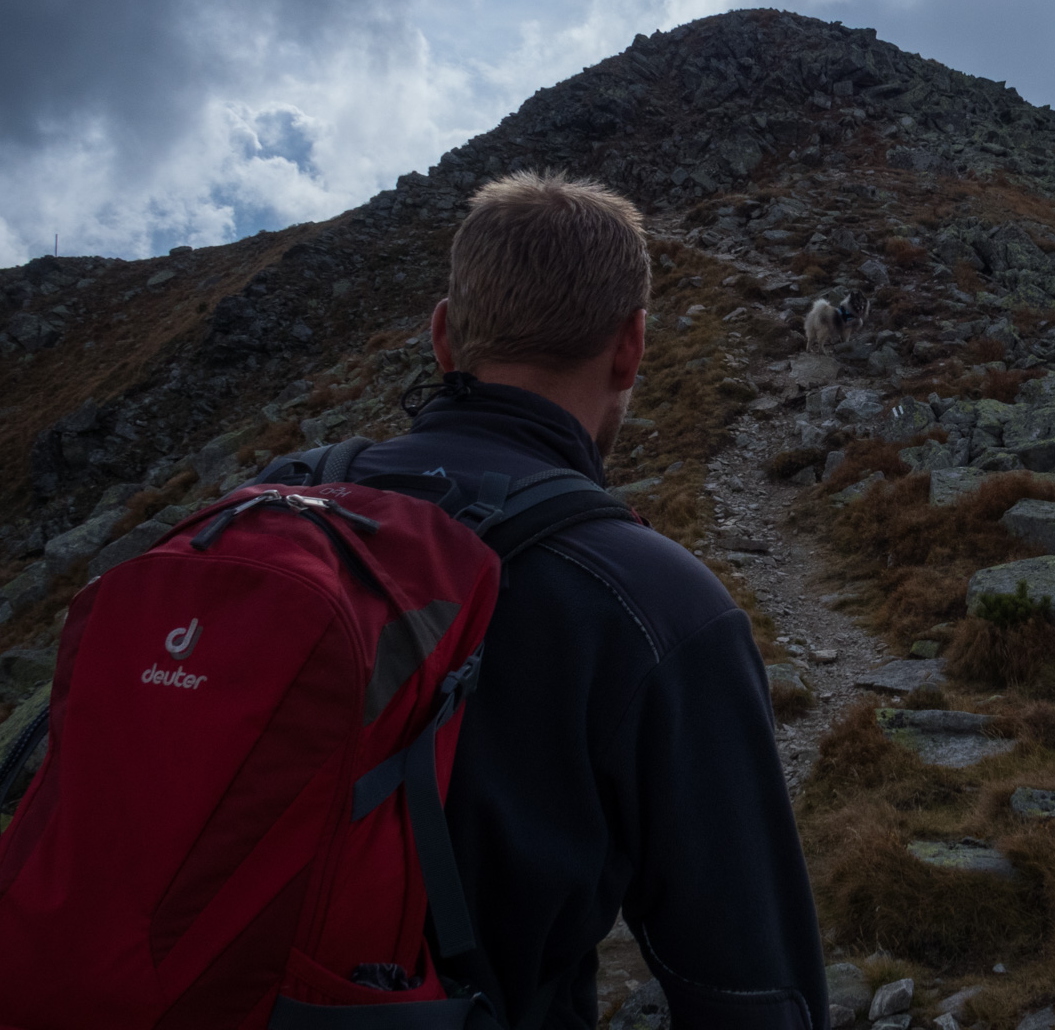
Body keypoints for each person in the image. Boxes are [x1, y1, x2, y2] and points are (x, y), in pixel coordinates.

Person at [347, 171, 827, 1029]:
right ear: (631, 346)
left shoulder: (263, 511)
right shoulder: (656, 604)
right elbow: (755, 996)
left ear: (444, 338)